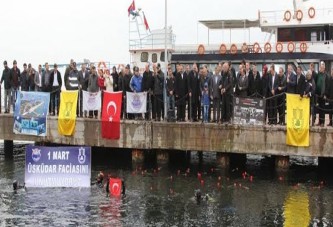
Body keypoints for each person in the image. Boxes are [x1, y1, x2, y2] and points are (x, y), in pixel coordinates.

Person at [314, 61, 328, 127]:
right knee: (319, 109)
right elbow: (315, 80)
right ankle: (319, 121)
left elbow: (327, 86)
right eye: (320, 67)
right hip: (318, 94)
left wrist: (325, 94)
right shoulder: (318, 74)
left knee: (323, 109)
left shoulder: (326, 75)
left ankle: (323, 122)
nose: (321, 69)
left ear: (324, 68)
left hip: (323, 95)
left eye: (322, 68)